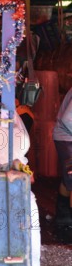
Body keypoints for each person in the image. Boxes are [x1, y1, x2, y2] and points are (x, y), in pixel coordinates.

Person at [53, 87, 72, 230]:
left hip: (65, 139)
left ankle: (63, 217)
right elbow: (67, 119)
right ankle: (64, 218)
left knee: (68, 178)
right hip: (67, 140)